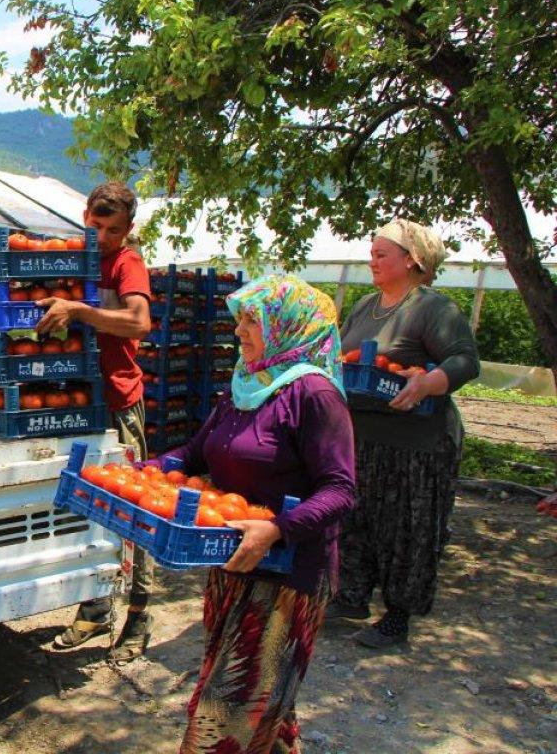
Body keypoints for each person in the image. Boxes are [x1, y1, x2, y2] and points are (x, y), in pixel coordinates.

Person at [159, 275, 355, 753]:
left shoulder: (314, 394)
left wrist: (277, 529)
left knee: (223, 716)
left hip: (288, 578)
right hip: (235, 566)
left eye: (253, 320)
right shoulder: (247, 387)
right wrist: (147, 471)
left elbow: (341, 490)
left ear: (289, 326)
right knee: (264, 705)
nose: (239, 331)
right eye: (240, 319)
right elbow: (196, 453)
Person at [329, 219, 480, 647]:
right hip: (363, 436)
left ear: (412, 261)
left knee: (406, 527)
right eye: (372, 253)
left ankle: (398, 615)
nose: (372, 260)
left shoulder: (433, 309)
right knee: (355, 518)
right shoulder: (364, 307)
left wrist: (427, 382)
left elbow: (464, 360)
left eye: (382, 254)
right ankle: (351, 595)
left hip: (416, 441)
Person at [35, 181, 154, 663]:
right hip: (76, 401)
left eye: (114, 229)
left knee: (132, 509)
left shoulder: (128, 264)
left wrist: (82, 311)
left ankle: (140, 614)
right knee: (88, 508)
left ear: (128, 229)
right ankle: (96, 608)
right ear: (85, 215)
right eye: (97, 225)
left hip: (118, 401)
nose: (104, 236)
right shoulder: (75, 256)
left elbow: (139, 322)